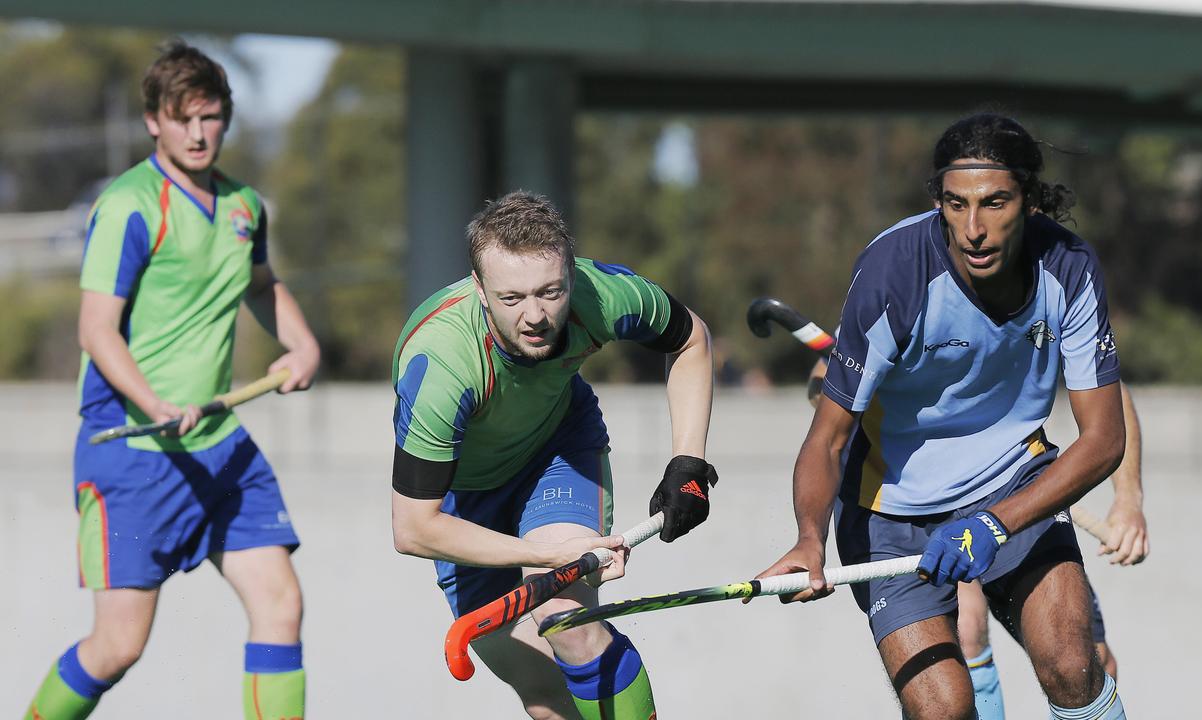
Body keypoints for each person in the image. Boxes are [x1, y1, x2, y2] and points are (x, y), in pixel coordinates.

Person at [757, 112, 1129, 720]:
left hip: (1014, 482)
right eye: (956, 205)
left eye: (994, 203)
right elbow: (828, 438)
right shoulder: (893, 274)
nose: (974, 229)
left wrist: (995, 523)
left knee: (1073, 663)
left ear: (1030, 202)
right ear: (938, 203)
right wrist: (807, 539)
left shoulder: (1069, 268)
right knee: (943, 710)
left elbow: (1105, 439)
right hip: (887, 510)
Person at [25, 41, 320, 720]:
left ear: (226, 119)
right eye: (181, 117)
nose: (197, 132)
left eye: (210, 116)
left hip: (220, 446)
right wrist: (155, 401)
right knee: (118, 646)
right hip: (132, 449)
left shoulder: (246, 207)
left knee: (282, 602)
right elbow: (96, 330)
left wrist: (301, 344)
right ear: (154, 121)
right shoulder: (130, 205)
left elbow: (263, 286)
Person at [390, 191, 716, 720]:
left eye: (551, 291)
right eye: (512, 298)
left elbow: (691, 339)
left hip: (555, 451)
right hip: (460, 500)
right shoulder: (441, 366)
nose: (537, 316)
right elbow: (413, 529)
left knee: (566, 619)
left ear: (570, 273)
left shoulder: (603, 294)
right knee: (547, 697)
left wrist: (689, 464)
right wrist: (544, 559)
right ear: (479, 289)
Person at [805, 361, 1149, 717]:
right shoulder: (892, 312)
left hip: (1006, 482)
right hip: (906, 504)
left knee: (1084, 665)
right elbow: (823, 388)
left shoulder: (1036, 307)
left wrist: (1127, 500)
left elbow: (1103, 384)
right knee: (960, 648)